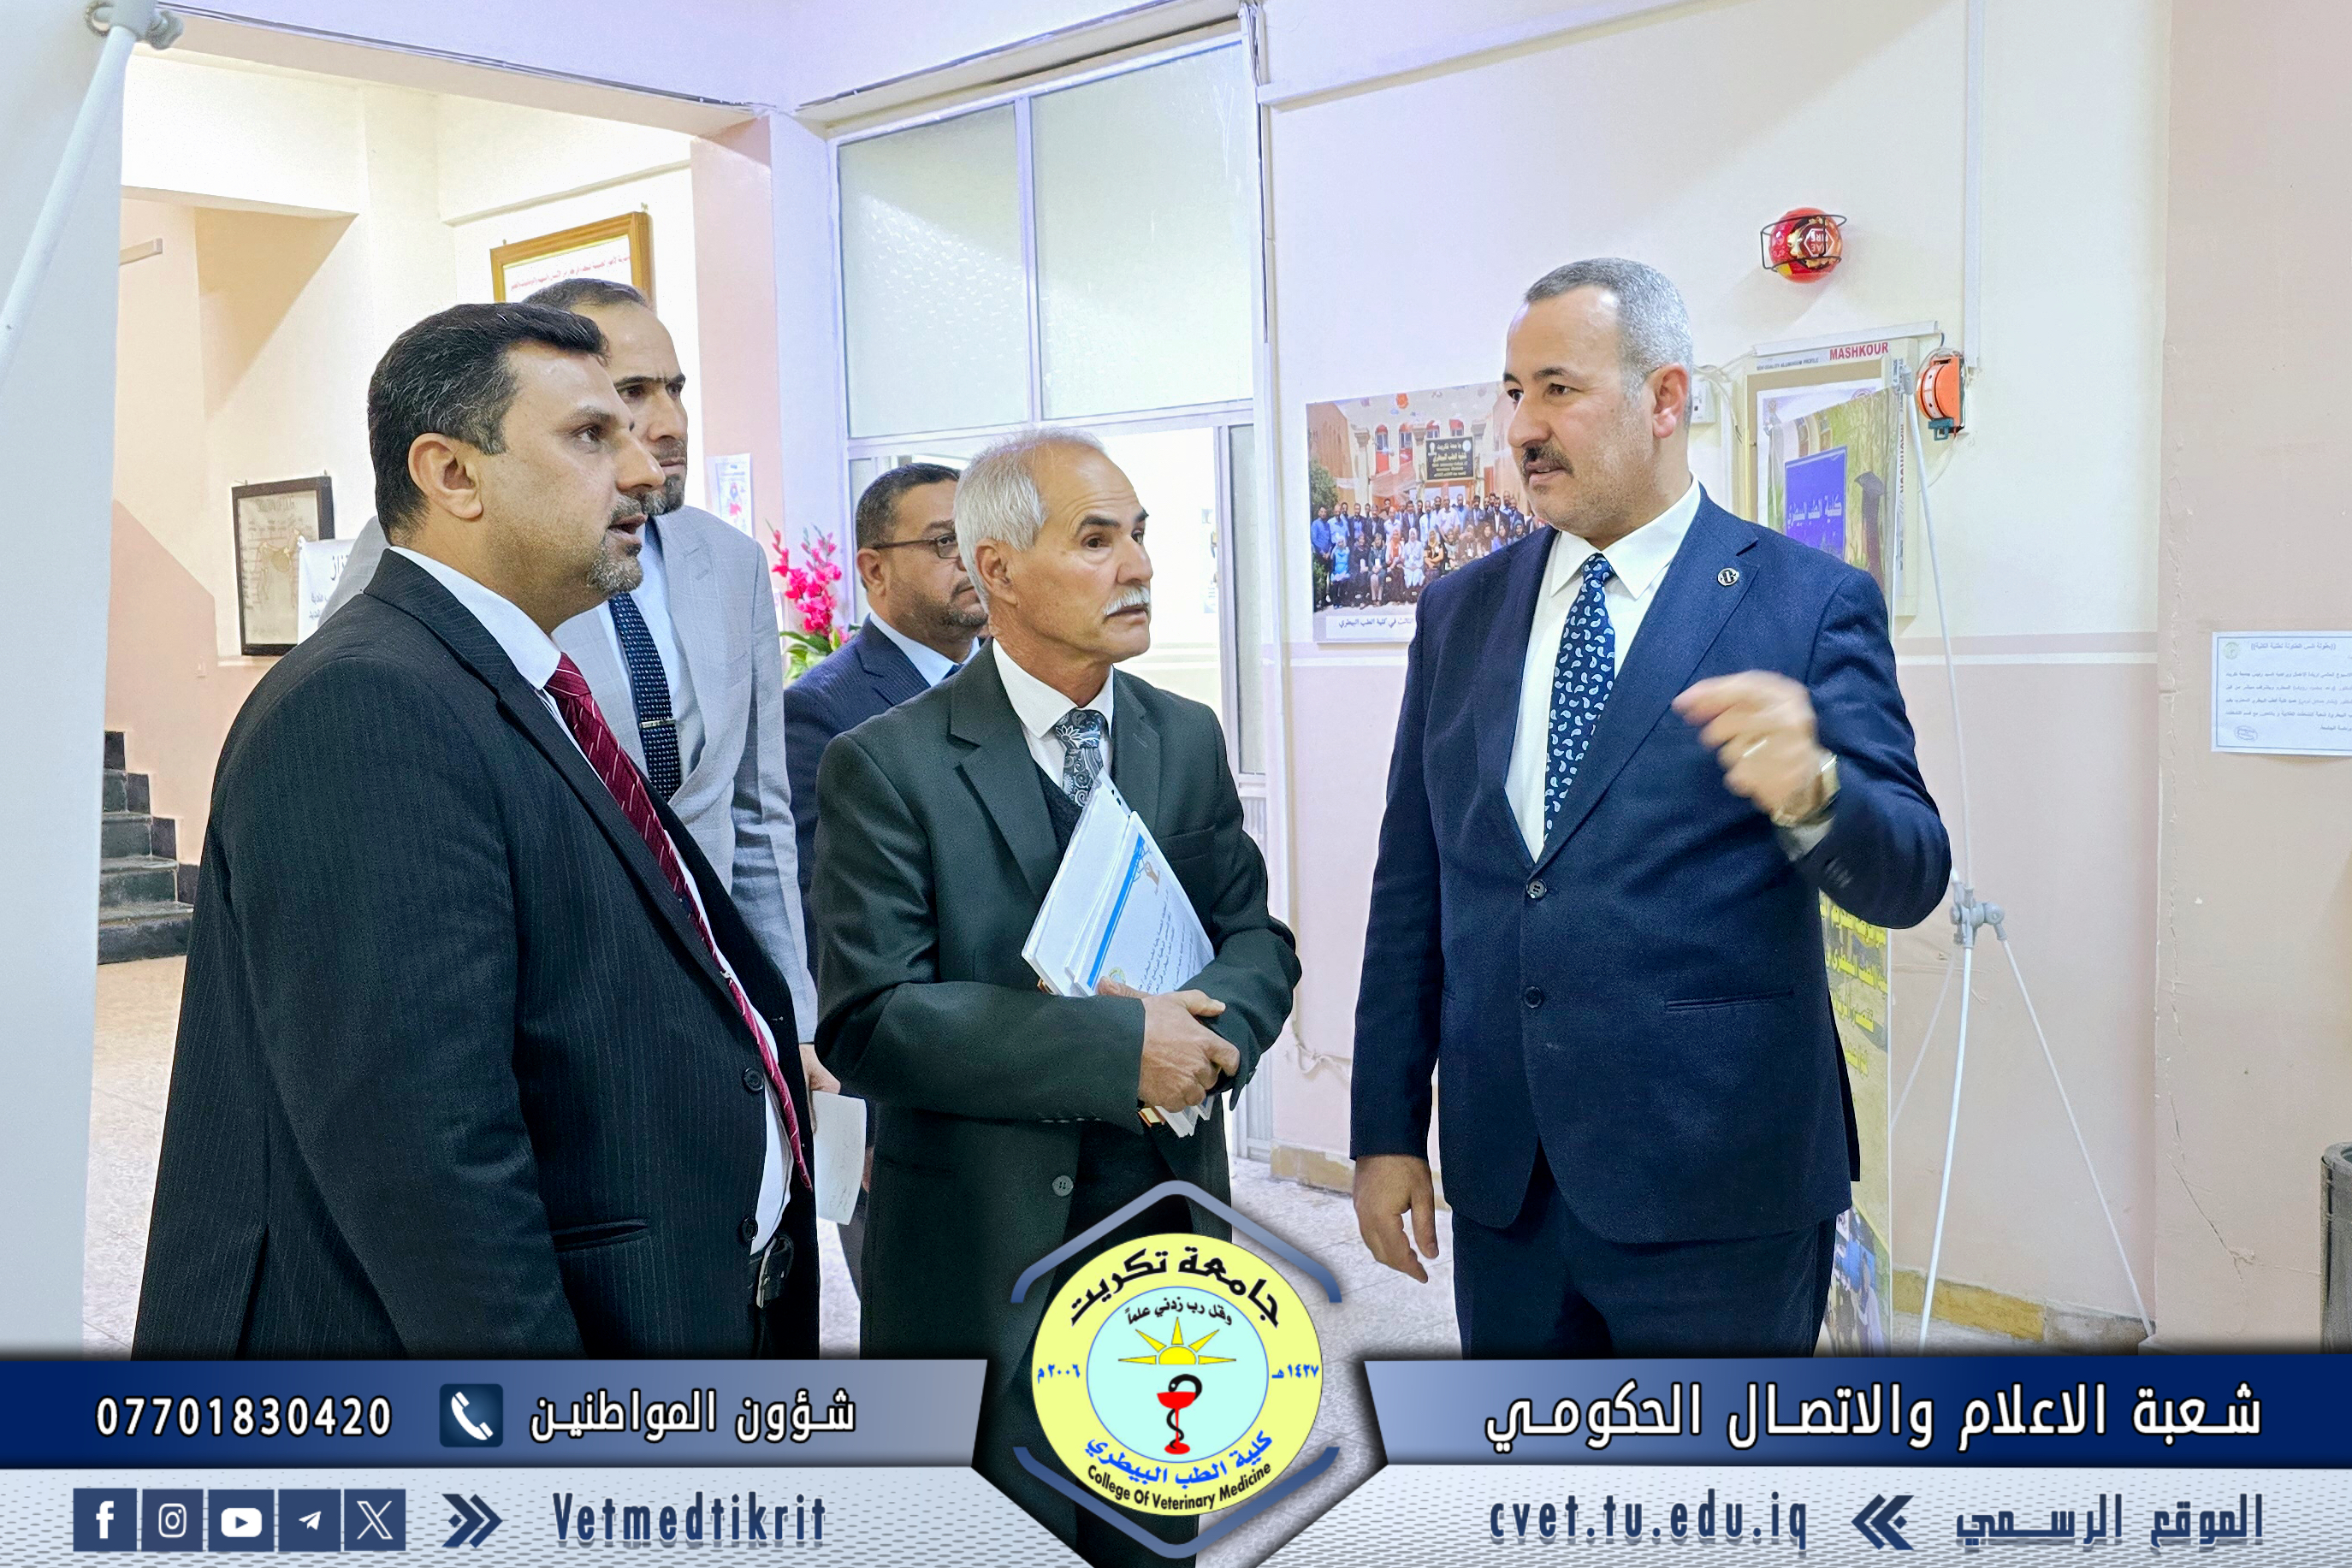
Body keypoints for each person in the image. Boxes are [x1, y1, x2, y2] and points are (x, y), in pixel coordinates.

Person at [134, 302, 820, 1357]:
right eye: (592, 435)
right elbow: (423, 1149)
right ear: (453, 474)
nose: (645, 471)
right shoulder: (368, 704)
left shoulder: (508, 675)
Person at [1349, 257, 1949, 1357]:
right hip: (1509, 1182)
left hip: (1719, 1184)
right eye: (1513, 391)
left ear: (1664, 399)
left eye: (1558, 389)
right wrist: (1384, 1129)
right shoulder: (1459, 612)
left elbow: (1911, 873)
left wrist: (1815, 791)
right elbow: (1413, 887)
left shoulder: (1805, 603)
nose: (1523, 427)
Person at [812, 428, 1298, 1566]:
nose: (1137, 566)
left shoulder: (1183, 736)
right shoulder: (885, 763)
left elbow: (1252, 937)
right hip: (980, 1244)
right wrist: (1120, 1047)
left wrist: (1210, 1037)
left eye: (1140, 535)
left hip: (1162, 1231)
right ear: (998, 569)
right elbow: (873, 1019)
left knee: (1151, 1537)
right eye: (1095, 539)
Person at [317, 279, 826, 1098]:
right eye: (620, 404)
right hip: (553, 1014)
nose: (667, 424)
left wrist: (786, 1017)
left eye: (674, 389)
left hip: (713, 994)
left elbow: (755, 812)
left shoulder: (730, 562)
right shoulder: (439, 549)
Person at [782, 459, 980, 1297]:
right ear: (873, 569)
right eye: (943, 543)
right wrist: (855, 1113)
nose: (971, 561)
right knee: (926, 1325)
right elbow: (817, 917)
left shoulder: (1020, 691)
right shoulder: (824, 708)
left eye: (980, 539)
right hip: (897, 1087)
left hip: (1014, 1063)